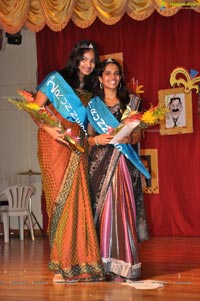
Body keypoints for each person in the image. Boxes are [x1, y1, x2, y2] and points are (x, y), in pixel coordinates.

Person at [34, 40, 104, 283]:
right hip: (54, 141)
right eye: (84, 58)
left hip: (78, 143)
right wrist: (52, 131)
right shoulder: (56, 79)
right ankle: (61, 263)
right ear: (75, 58)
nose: (88, 64)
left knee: (78, 200)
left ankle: (78, 262)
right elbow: (35, 108)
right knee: (59, 201)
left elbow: (89, 124)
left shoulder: (93, 88)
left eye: (92, 60)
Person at [87, 58, 149, 281]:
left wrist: (130, 136)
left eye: (116, 73)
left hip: (124, 164)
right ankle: (102, 265)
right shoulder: (92, 106)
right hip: (99, 166)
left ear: (120, 77)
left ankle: (125, 266)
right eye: (108, 74)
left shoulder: (131, 103)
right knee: (103, 213)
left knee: (123, 211)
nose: (113, 77)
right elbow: (88, 138)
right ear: (100, 78)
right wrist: (98, 140)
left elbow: (140, 133)